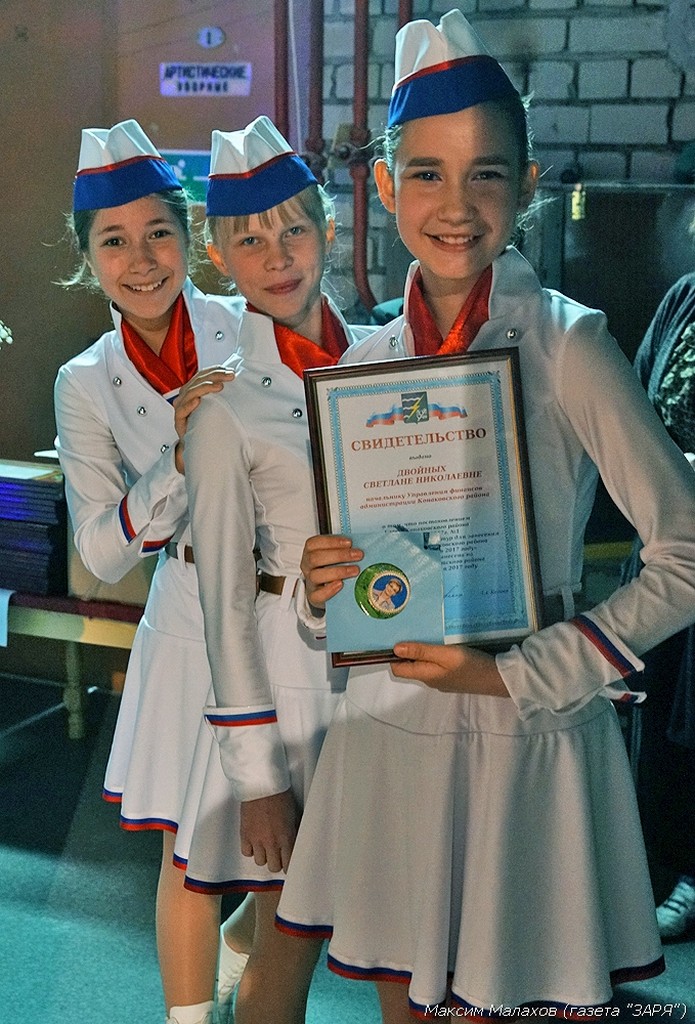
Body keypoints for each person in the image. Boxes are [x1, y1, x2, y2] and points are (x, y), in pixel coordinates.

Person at [275, 11, 695, 1021]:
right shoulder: (366, 363)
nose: (455, 205)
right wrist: (315, 594)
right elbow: (344, 587)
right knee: (400, 989)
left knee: (500, 999)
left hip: (524, 728)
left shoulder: (567, 344)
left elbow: (685, 555)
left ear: (528, 184)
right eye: (426, 173)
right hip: (389, 728)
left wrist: (518, 672)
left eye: (486, 174)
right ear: (384, 187)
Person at [53, 119, 255, 1024]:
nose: (140, 261)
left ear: (191, 236)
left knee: (303, 837)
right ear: (86, 257)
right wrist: (179, 456)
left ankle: (244, 943)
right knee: (191, 846)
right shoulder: (84, 381)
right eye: (113, 241)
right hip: (185, 615)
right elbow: (101, 554)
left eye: (158, 233)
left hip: (288, 604)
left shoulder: (249, 324)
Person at [179, 117, 373, 1024]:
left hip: (392, 676)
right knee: (288, 932)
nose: (277, 255)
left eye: (294, 227)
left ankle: (234, 953)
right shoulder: (224, 409)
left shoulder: (387, 357)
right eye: (249, 240)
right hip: (289, 688)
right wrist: (258, 778)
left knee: (379, 922)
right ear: (218, 256)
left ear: (328, 228)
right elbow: (222, 603)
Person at [621, 263, 695, 941]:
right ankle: (663, 865)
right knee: (660, 711)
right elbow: (638, 407)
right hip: (664, 542)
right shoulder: (685, 296)